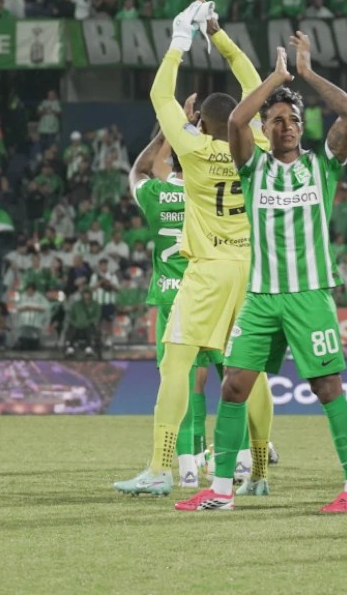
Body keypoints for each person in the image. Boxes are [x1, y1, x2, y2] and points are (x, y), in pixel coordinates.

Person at [176, 32, 347, 513]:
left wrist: (305, 75)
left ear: (303, 127)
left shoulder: (323, 166)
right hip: (261, 296)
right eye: (276, 119)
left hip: (308, 295)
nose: (285, 125)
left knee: (327, 389)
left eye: (293, 119)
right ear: (265, 127)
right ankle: (221, 490)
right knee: (234, 386)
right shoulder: (253, 167)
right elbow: (237, 118)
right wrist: (274, 80)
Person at [115, 0, 276, 497]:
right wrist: (218, 33)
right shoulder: (260, 147)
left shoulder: (193, 148)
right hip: (251, 270)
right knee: (248, 371)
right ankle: (261, 475)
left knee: (178, 364)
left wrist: (180, 41)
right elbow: (252, 84)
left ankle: (161, 470)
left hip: (207, 270)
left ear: (201, 124)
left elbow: (161, 99)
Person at [127, 124, 226, 488]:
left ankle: (186, 467)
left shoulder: (155, 192)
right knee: (234, 377)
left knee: (180, 382)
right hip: (213, 292)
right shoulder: (211, 194)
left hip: (172, 298)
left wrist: (164, 131)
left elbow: (138, 170)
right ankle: (239, 462)